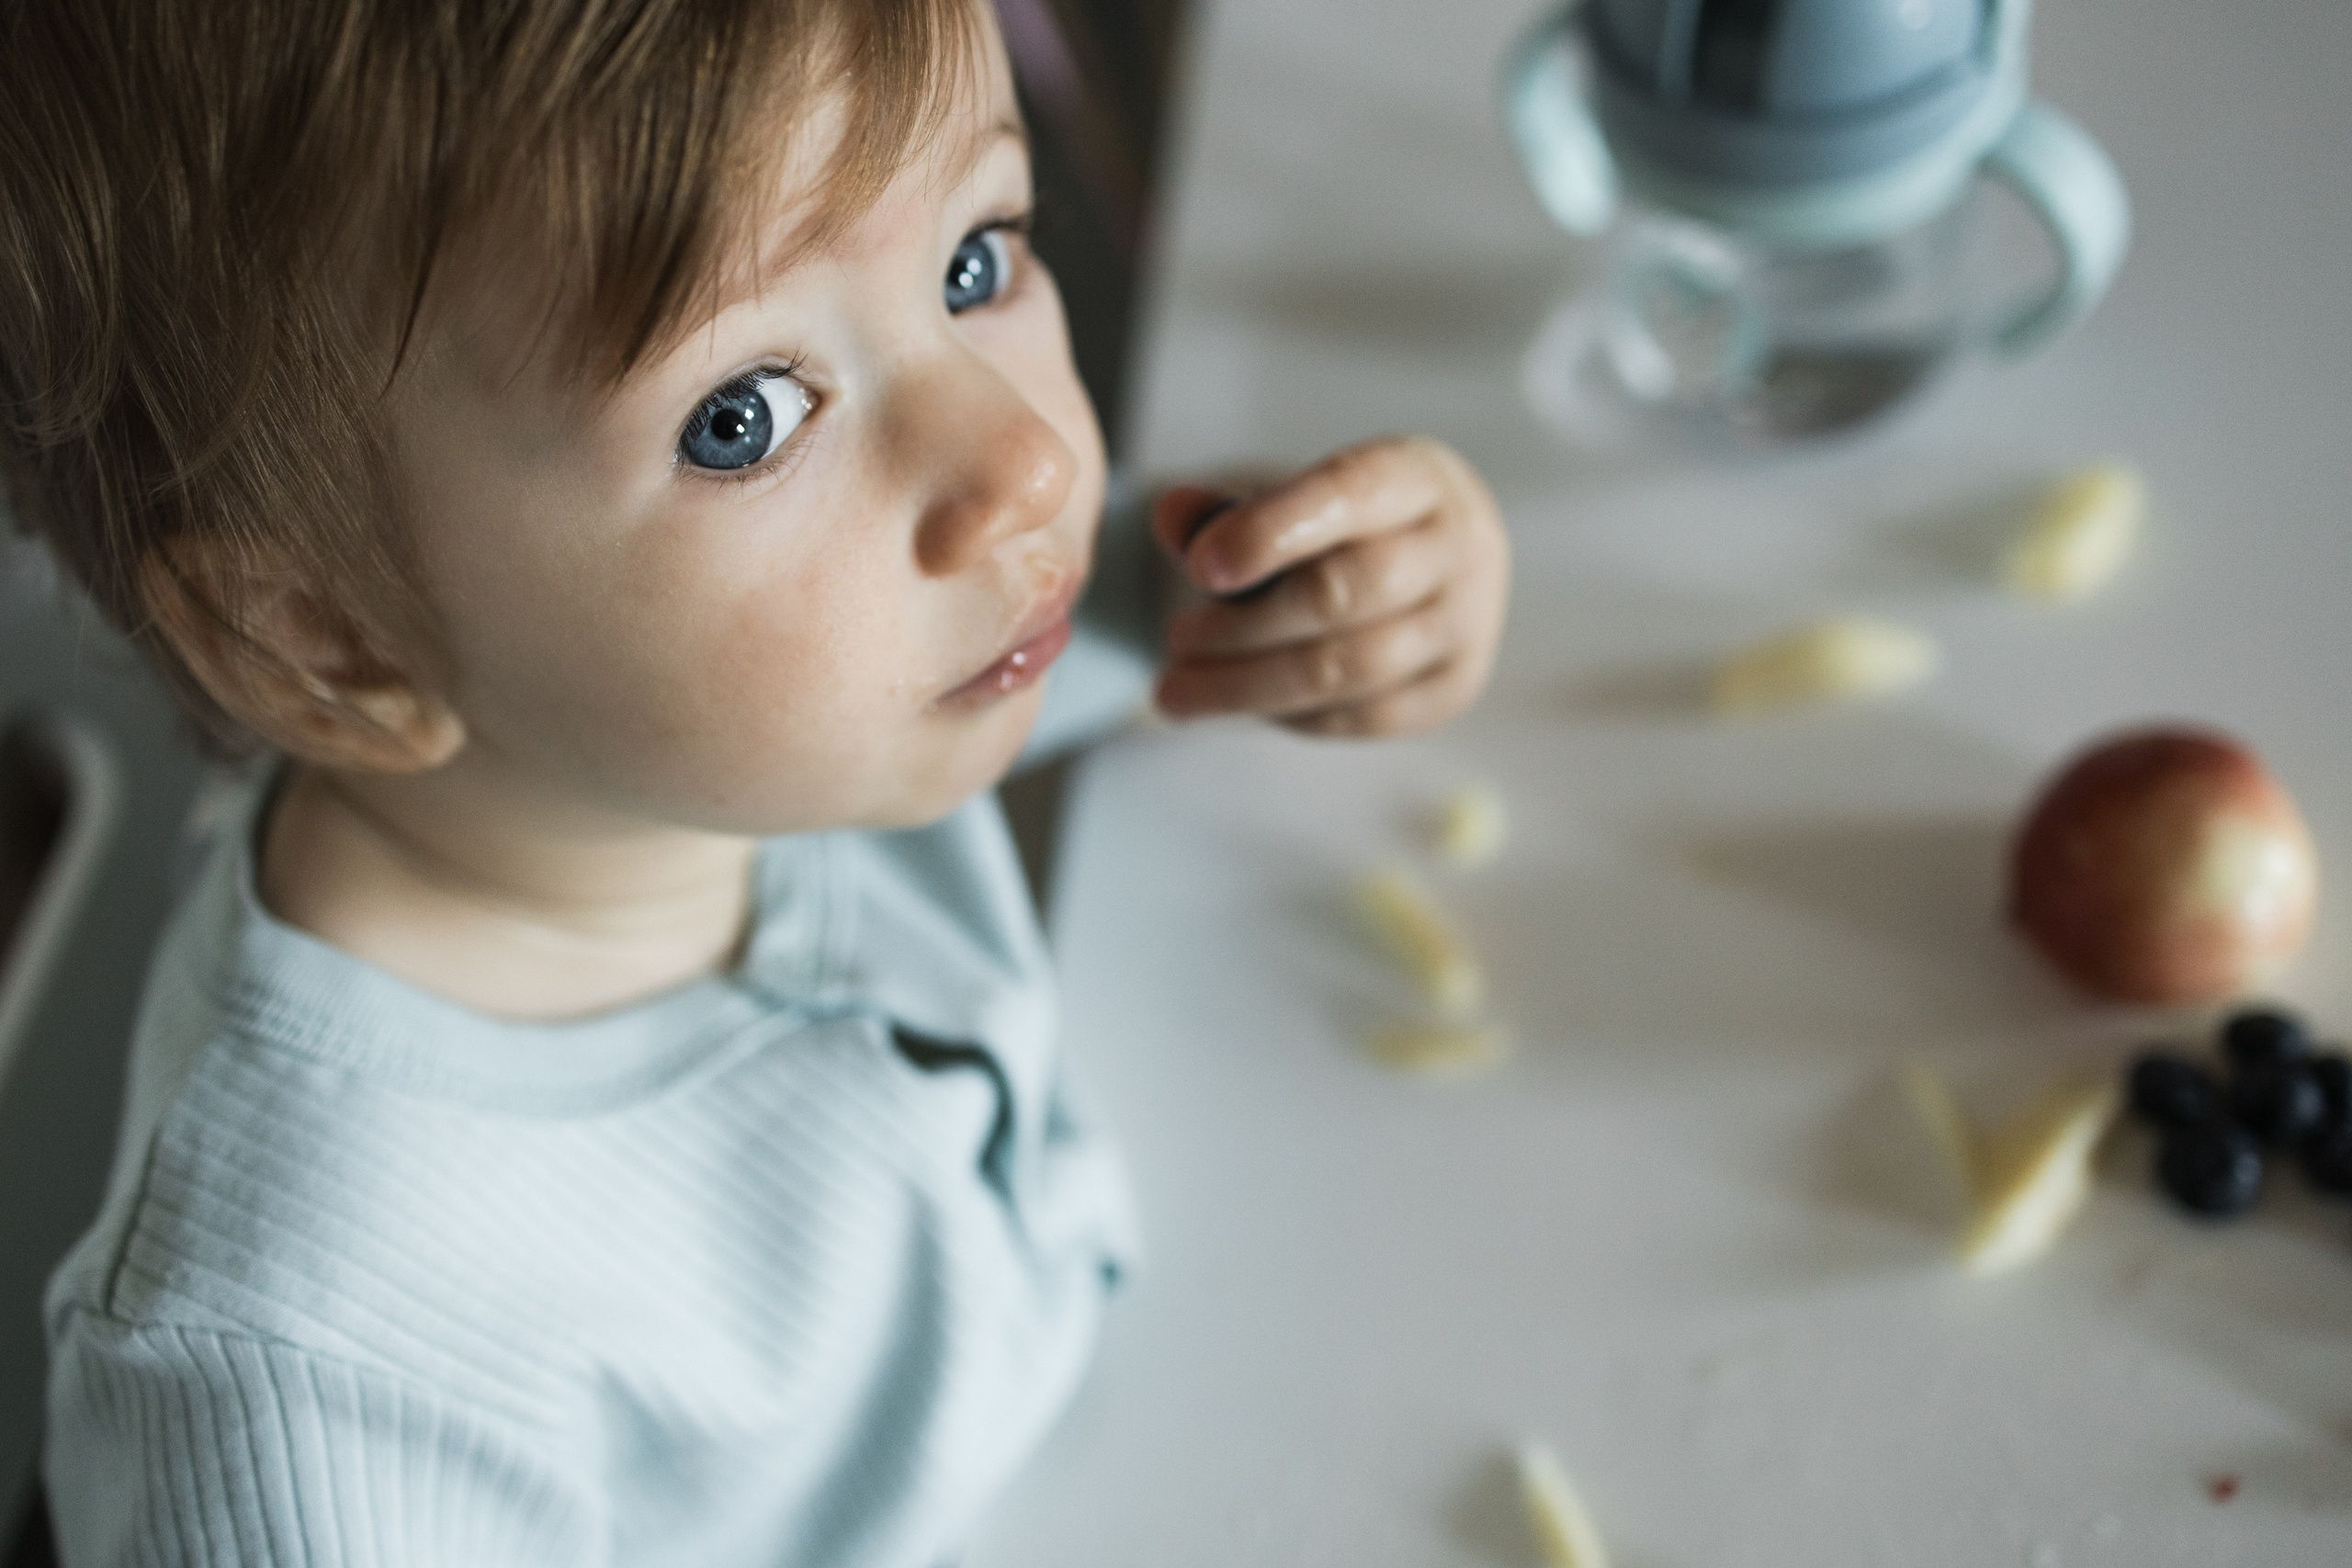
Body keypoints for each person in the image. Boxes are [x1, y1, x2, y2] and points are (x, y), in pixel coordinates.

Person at [0, 0, 1510, 1562]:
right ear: (331, 644)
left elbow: (1146, 592)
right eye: (745, 420)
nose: (1027, 469)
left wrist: (1316, 588)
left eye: (974, 262)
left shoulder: (704, 732)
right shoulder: (307, 1392)